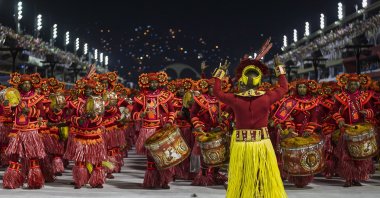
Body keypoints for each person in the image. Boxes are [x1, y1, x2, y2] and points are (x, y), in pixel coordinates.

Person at [212, 39, 288, 197]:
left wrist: (220, 73)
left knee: (241, 175)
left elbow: (217, 93)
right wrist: (279, 69)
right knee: (263, 174)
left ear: (243, 79)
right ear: (259, 79)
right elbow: (284, 87)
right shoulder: (267, 97)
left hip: (241, 144)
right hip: (262, 143)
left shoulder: (235, 99)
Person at [63, 67, 108, 189]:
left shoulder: (99, 102)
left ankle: (97, 180)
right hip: (80, 134)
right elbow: (68, 117)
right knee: (80, 159)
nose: (88, 91)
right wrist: (79, 120)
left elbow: (101, 118)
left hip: (95, 134)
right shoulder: (75, 102)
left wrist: (94, 118)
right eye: (86, 89)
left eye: (90, 89)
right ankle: (80, 180)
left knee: (97, 159)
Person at [273, 79, 321, 188]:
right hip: (292, 133)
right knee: (293, 157)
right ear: (296, 89)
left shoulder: (313, 101)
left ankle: (304, 178)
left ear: (307, 89)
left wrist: (309, 130)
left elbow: (314, 119)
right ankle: (294, 177)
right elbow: (285, 118)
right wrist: (290, 128)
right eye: (300, 87)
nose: (302, 89)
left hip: (306, 133)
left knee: (305, 156)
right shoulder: (290, 101)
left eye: (304, 87)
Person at [132, 71, 176, 189]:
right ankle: (151, 181)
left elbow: (172, 111)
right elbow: (133, 114)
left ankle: (164, 181)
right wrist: (140, 115)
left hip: (161, 129)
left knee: (164, 156)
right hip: (147, 129)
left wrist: (169, 122)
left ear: (159, 82)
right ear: (147, 83)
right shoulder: (141, 97)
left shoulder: (165, 96)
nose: (154, 84)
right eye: (152, 82)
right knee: (151, 157)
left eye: (156, 82)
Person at [3, 73, 46, 189]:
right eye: (24, 84)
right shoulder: (15, 97)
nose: (26, 86)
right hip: (17, 130)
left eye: (28, 84)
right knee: (14, 155)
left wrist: (30, 111)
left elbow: (41, 114)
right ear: (20, 85)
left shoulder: (37, 97)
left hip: (31, 130)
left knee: (32, 156)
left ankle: (34, 180)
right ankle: (12, 180)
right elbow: (9, 114)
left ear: (32, 85)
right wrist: (6, 106)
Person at [332, 73, 375, 187]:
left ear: (358, 85)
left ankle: (356, 177)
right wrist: (340, 119)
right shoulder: (340, 97)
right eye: (350, 84)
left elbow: (371, 110)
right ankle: (348, 177)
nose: (352, 86)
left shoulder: (364, 96)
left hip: (360, 129)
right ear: (347, 85)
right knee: (346, 155)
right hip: (346, 129)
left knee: (359, 155)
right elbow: (335, 111)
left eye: (355, 84)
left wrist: (367, 112)